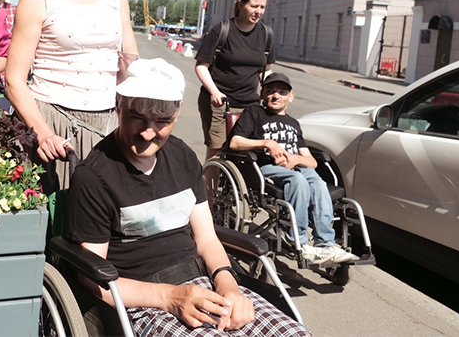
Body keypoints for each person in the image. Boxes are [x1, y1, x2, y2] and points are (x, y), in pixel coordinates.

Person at [64, 58, 311, 337]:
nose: (148, 133)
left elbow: (206, 239)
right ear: (119, 105)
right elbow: (91, 278)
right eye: (137, 118)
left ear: (178, 113)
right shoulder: (95, 177)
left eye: (162, 122)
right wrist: (172, 297)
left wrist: (229, 287)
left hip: (204, 281)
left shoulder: (182, 157)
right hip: (143, 299)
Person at [5, 0, 138, 191]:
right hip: (52, 124)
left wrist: (140, 117)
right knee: (57, 228)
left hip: (108, 126)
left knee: (108, 226)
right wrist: (42, 133)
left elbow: (130, 65)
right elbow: (14, 80)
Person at [229, 72, 359, 264]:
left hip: (297, 167)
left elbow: (312, 161)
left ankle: (325, 245)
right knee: (298, 181)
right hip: (266, 166)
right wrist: (268, 143)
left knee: (319, 184)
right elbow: (235, 142)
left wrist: (296, 159)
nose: (276, 96)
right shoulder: (254, 112)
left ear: (290, 96)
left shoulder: (293, 124)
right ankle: (299, 242)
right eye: (271, 91)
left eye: (282, 92)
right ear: (263, 94)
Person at [195, 0, 274, 161]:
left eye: (262, 7)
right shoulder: (222, 30)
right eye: (254, 6)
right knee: (217, 153)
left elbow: (266, 72)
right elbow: (201, 66)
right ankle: (208, 188)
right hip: (219, 103)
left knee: (247, 152)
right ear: (240, 4)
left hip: (250, 104)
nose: (258, 11)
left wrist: (273, 91)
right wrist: (214, 92)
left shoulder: (266, 34)